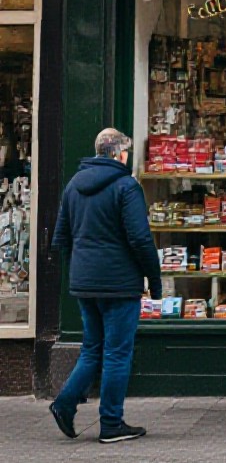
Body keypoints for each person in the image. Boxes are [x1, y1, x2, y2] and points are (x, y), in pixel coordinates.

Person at [49, 128, 161, 443]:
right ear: (120, 154)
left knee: (92, 348)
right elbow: (140, 238)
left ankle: (65, 402)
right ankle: (111, 422)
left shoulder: (74, 185)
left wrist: (78, 273)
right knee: (117, 352)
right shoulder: (127, 187)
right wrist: (154, 278)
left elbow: (61, 237)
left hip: (85, 282)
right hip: (119, 282)